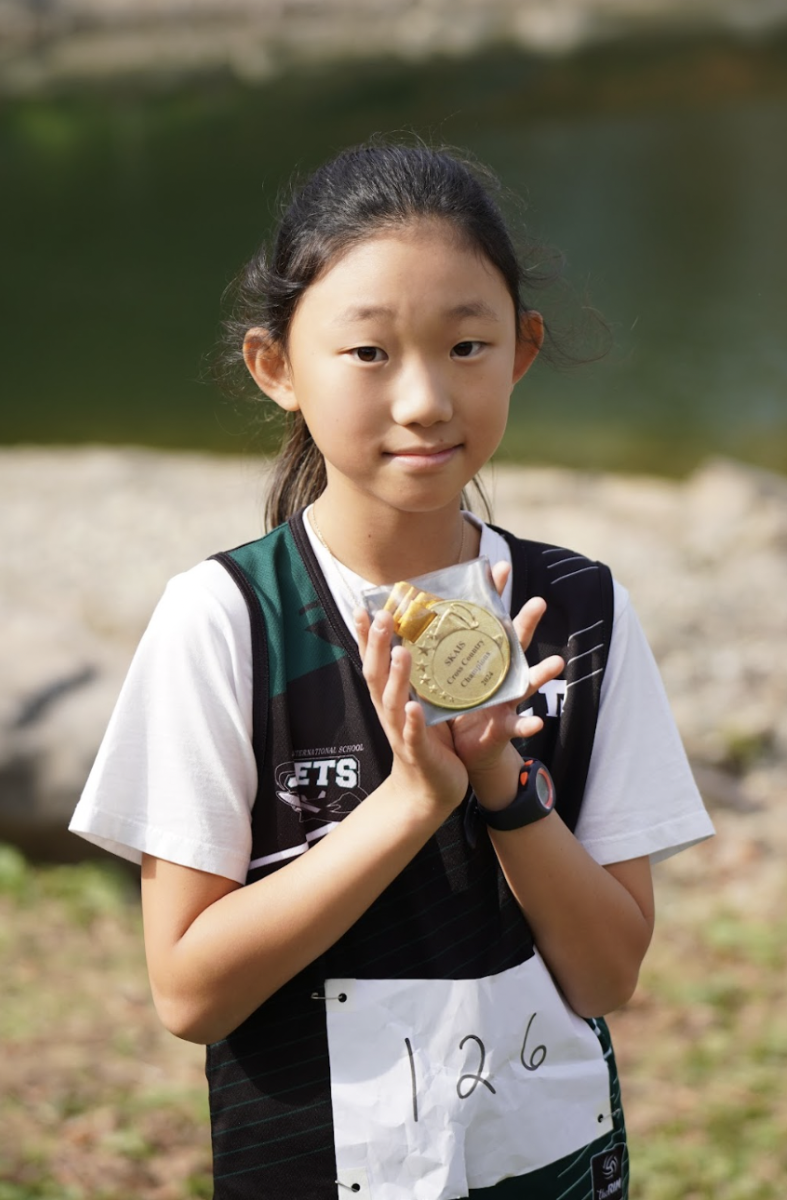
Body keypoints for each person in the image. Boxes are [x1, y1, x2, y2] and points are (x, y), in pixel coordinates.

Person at [70, 140, 714, 1200]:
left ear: (521, 351)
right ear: (276, 367)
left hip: (549, 1171)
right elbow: (191, 992)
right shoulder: (227, 622)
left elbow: (608, 974)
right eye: (368, 354)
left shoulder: (581, 610)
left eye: (468, 345)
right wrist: (413, 801)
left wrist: (505, 790)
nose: (425, 400)